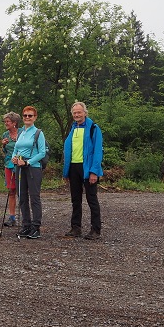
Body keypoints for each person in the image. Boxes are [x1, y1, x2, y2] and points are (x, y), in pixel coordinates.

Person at [62, 101, 104, 240]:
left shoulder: (93, 128)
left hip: (87, 167)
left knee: (91, 199)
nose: (77, 115)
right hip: (74, 167)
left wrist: (94, 171)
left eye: (79, 112)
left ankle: (95, 229)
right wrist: (66, 171)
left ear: (85, 113)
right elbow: (69, 151)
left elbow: (98, 151)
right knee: (75, 199)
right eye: (74, 113)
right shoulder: (73, 128)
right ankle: (76, 228)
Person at [11, 106, 46, 239]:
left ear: (35, 117)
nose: (27, 118)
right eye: (25, 115)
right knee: (22, 197)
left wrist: (28, 162)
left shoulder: (38, 133)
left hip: (33, 168)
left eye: (30, 116)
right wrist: (14, 157)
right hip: (20, 167)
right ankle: (26, 225)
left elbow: (42, 153)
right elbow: (16, 148)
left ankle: (36, 227)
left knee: (34, 197)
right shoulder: (21, 133)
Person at [1, 112, 21, 227]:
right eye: (5, 121)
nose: (6, 123)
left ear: (14, 123)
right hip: (8, 164)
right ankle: (12, 217)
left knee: (22, 191)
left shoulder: (22, 133)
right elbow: (5, 152)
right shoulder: (5, 135)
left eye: (8, 121)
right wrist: (3, 145)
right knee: (11, 190)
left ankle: (25, 217)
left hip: (21, 164)